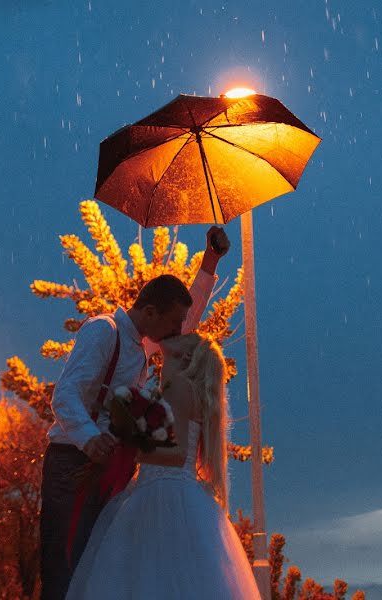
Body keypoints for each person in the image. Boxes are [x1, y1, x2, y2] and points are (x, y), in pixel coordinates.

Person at [40, 227, 230, 600]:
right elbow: (65, 396)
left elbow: (188, 319)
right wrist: (91, 438)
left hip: (106, 467)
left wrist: (210, 261)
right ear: (149, 311)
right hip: (71, 465)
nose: (178, 331)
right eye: (172, 322)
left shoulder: (142, 346)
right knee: (65, 567)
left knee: (93, 569)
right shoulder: (102, 331)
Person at [66, 333, 260, 599]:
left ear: (188, 356)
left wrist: (130, 446)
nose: (178, 332)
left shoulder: (179, 386)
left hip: (162, 491)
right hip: (171, 489)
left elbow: (178, 453)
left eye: (187, 336)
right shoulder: (184, 388)